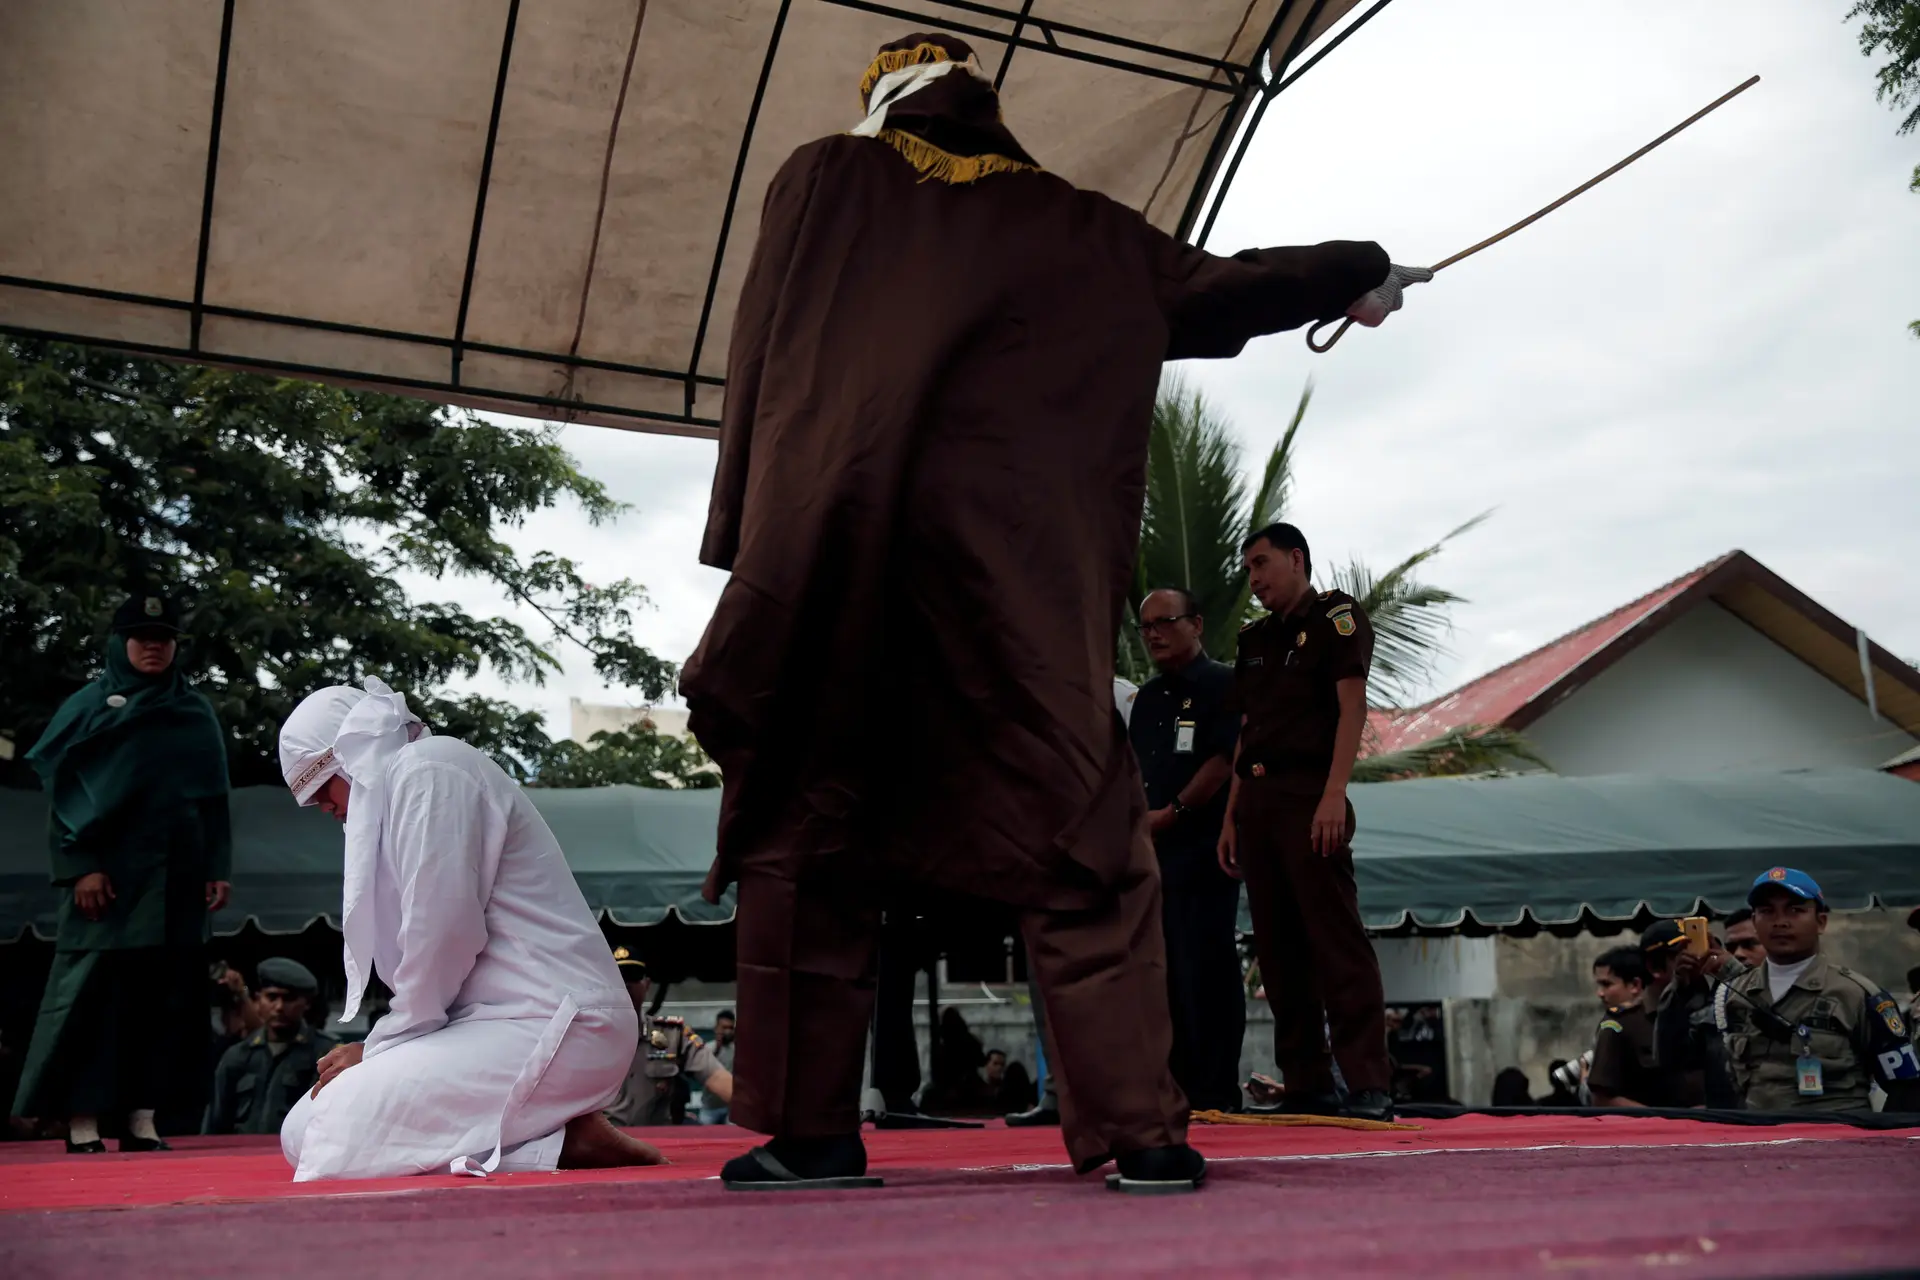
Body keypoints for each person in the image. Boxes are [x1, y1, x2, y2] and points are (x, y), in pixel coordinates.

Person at [679, 30, 1419, 1192]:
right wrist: (1358, 268)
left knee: (808, 826)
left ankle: (810, 1131)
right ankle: (1145, 1132)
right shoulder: (1085, 228)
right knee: (1082, 835)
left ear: (887, 107)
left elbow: (763, 364)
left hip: (840, 553)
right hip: (1017, 583)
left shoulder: (822, 176)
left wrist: (747, 541)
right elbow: (1227, 290)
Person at [273, 678, 663, 1179]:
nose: (319, 806)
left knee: (331, 1123)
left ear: (351, 755)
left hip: (562, 1021)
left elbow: (442, 936)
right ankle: (557, 1145)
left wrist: (376, 1048)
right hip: (490, 1027)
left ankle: (556, 1140)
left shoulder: (431, 768)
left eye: (318, 785)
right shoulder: (404, 789)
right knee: (302, 1128)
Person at [13, 594, 232, 1154]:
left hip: (177, 881)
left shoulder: (193, 710)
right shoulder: (88, 706)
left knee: (164, 1000)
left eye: (163, 637)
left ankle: (142, 1119)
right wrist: (81, 868)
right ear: (120, 643)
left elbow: (213, 800)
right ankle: (82, 1122)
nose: (153, 647)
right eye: (141, 637)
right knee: (94, 1000)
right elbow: (61, 796)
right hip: (106, 885)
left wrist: (217, 868)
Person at [1218, 524, 1393, 1121]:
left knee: (1335, 939)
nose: (1255, 577)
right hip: (1260, 800)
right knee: (1277, 949)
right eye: (1247, 569)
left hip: (1310, 793)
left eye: (1262, 563)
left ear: (1297, 559)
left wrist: (1335, 793)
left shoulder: (1335, 617)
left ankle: (1368, 1083)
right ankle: (1307, 1082)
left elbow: (1353, 707)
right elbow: (1245, 733)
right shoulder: (1254, 639)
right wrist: (1231, 814)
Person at [1126, 589, 1244, 1114]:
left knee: (1208, 967)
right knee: (1163, 973)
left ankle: (1217, 1089)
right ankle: (1176, 1091)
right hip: (1151, 854)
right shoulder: (1146, 699)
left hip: (1204, 848)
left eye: (1164, 622)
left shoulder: (1223, 684)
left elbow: (1225, 760)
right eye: (1145, 626)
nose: (1153, 633)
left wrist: (1173, 812)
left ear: (1195, 624)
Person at [1718, 868, 1920, 1113]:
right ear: (1754, 921)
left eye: (1795, 910)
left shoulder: (1857, 995)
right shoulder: (1735, 993)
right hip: (1758, 1140)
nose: (1780, 921)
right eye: (1767, 911)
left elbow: (1906, 1087)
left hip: (1836, 1141)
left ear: (1821, 922)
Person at [604, 948, 735, 1127]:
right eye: (618, 979)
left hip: (657, 1146)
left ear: (647, 984)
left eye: (633, 976)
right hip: (605, 1147)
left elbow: (719, 1079)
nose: (626, 984)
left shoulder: (673, 1036)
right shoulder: (587, 1040)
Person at [206, 958, 336, 1135]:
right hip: (239, 1157)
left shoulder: (325, 1054)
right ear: (259, 999)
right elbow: (216, 1122)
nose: (279, 1007)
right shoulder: (237, 1056)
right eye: (272, 997)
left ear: (306, 1003)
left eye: (289, 999)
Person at [1586, 945, 1665, 1107]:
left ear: (1635, 985)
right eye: (1600, 985)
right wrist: (1663, 1119)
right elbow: (1602, 1098)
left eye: (1607, 985)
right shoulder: (1614, 1024)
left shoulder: (1663, 1016)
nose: (1600, 993)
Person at [700, 1009, 738, 1124]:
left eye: (730, 1028)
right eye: (724, 1028)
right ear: (716, 1028)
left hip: (730, 1107)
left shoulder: (737, 1049)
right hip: (710, 1107)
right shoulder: (708, 1048)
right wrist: (718, 1046)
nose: (727, 1031)